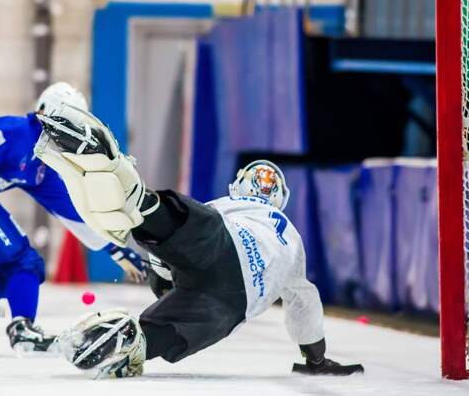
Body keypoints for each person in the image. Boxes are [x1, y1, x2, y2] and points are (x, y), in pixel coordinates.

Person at [32, 103, 365, 378]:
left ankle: (134, 196)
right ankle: (137, 340)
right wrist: (315, 357)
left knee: (153, 215)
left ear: (239, 185)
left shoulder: (229, 205)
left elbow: (170, 249)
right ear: (280, 199)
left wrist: (163, 287)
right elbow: (305, 303)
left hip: (223, 238)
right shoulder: (290, 237)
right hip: (235, 300)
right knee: (171, 331)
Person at [0, 82, 144, 355]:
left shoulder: (42, 164)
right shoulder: (14, 131)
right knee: (25, 262)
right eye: (67, 123)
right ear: (44, 113)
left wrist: (114, 248)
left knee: (4, 274)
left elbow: (68, 209)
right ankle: (23, 331)